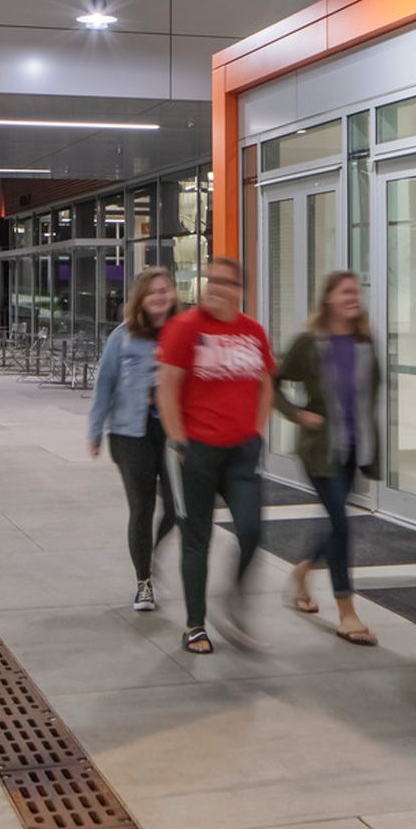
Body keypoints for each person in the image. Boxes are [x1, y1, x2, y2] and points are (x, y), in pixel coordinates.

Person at [157, 255, 275, 657]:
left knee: (252, 531)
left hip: (242, 452)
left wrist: (258, 432)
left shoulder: (253, 331)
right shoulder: (185, 328)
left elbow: (265, 385)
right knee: (197, 540)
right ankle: (195, 624)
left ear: (239, 290)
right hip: (197, 452)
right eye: (212, 280)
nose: (216, 288)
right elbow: (167, 387)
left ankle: (232, 601)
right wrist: (178, 440)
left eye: (226, 282)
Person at [274, 269, 381, 645]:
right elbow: (273, 381)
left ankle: (302, 572)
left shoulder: (364, 342)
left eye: (357, 292)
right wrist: (297, 414)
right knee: (341, 525)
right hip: (319, 450)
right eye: (346, 292)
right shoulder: (310, 343)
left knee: (336, 521)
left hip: (353, 449)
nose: (354, 297)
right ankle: (347, 614)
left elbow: (370, 395)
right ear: (329, 299)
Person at [88, 266, 178, 611]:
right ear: (141, 298)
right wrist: (95, 431)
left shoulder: (183, 333)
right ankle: (144, 581)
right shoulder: (122, 336)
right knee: (142, 508)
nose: (159, 296)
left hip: (172, 433)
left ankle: (150, 553)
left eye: (164, 290)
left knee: (178, 510)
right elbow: (104, 386)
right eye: (152, 291)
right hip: (130, 434)